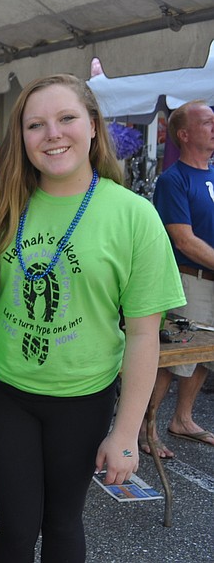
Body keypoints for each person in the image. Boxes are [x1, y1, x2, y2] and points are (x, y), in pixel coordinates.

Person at [0, 74, 184, 562]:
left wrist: (127, 433)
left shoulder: (134, 215)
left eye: (66, 118)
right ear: (22, 139)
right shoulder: (1, 207)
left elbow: (142, 335)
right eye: (35, 125)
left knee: (62, 523)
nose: (52, 134)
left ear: (93, 127)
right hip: (7, 394)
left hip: (83, 398)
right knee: (16, 526)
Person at [139, 100, 214, 458]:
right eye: (208, 122)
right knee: (170, 359)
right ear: (184, 134)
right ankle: (143, 428)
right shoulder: (174, 179)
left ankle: (182, 419)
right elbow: (182, 238)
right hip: (190, 280)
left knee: (204, 356)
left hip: (210, 279)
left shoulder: (212, 173)